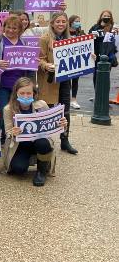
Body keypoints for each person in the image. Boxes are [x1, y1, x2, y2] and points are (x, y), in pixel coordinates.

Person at [2, 77, 68, 186]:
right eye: (22, 93)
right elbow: (8, 133)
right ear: (16, 93)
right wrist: (13, 133)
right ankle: (32, 159)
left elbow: (51, 125)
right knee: (19, 170)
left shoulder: (41, 105)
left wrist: (62, 125)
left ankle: (41, 171)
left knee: (43, 143)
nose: (25, 96)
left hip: (39, 141)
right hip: (20, 145)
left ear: (34, 93)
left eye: (29, 93)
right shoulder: (8, 109)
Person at [38, 12, 86, 155]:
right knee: (47, 109)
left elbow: (78, 57)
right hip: (49, 80)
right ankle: (43, 141)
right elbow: (39, 59)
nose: (60, 24)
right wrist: (46, 65)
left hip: (65, 80)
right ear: (52, 23)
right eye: (58, 21)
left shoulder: (70, 39)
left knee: (65, 110)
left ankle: (65, 140)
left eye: (63, 22)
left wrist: (89, 57)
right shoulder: (45, 38)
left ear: (67, 24)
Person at [0, 15, 33, 140]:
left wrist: (33, 60)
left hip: (19, 85)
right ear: (4, 27)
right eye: (8, 27)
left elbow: (28, 61)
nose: (11, 30)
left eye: (14, 28)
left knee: (17, 112)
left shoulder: (24, 42)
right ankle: (3, 137)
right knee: (1, 112)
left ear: (20, 30)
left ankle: (12, 137)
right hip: (0, 84)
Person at [89, 10, 118, 88]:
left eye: (108, 16)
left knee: (105, 75)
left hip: (108, 55)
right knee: (96, 75)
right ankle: (97, 94)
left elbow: (115, 41)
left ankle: (105, 95)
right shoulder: (95, 27)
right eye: (104, 16)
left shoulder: (113, 27)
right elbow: (90, 39)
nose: (106, 17)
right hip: (96, 55)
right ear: (101, 17)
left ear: (111, 18)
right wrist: (101, 27)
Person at [68, 15, 85, 109]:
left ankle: (74, 99)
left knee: (75, 80)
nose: (78, 23)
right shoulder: (65, 32)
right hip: (66, 59)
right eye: (76, 21)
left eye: (79, 21)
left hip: (77, 60)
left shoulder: (81, 32)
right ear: (71, 22)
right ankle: (66, 99)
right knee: (66, 81)